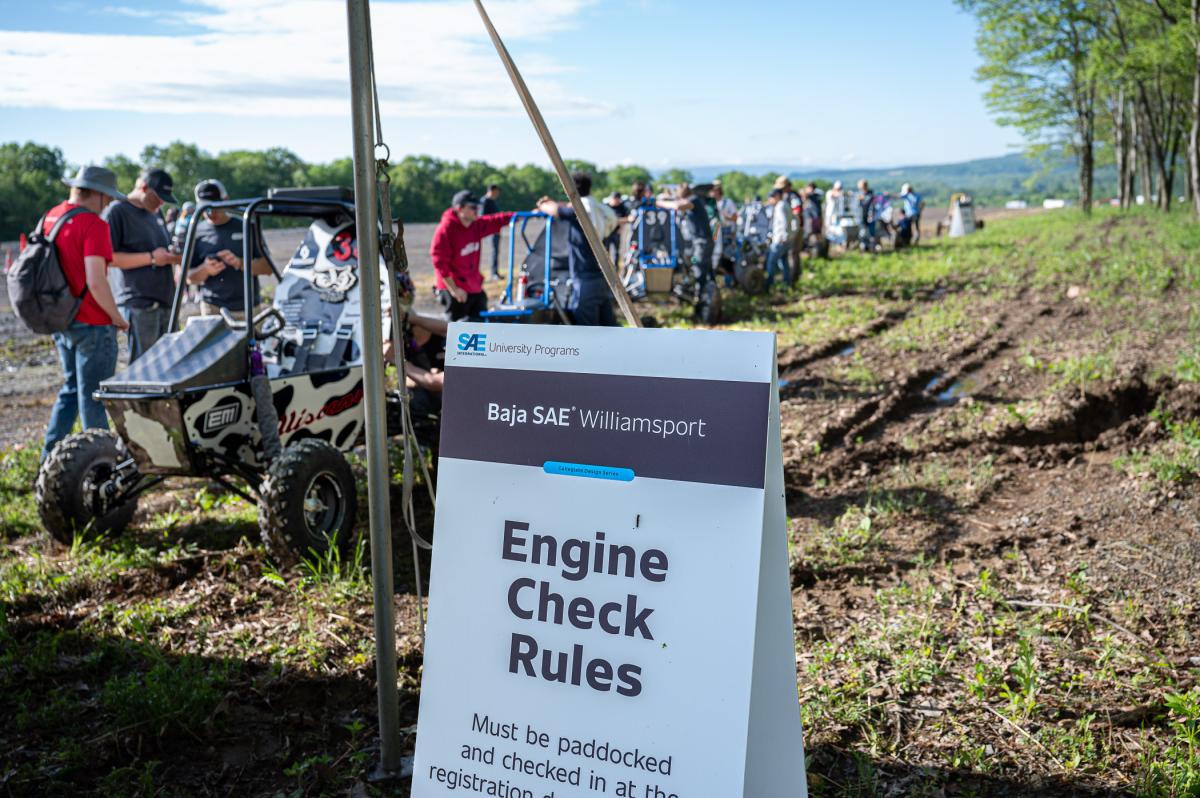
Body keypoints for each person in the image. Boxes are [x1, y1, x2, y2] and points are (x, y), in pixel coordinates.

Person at [40, 166, 130, 460]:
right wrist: (116, 316)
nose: (108, 205)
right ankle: (100, 464)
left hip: (62, 320)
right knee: (95, 398)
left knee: (70, 391)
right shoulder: (93, 225)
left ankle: (48, 459)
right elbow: (96, 279)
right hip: (93, 323)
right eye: (107, 199)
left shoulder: (50, 217)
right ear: (98, 195)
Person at [103, 168, 181, 361]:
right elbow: (108, 257)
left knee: (170, 363)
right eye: (159, 197)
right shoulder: (117, 211)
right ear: (143, 187)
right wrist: (152, 258)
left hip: (166, 301)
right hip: (139, 304)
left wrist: (173, 257)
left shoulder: (156, 213)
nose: (162, 203)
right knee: (144, 368)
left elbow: (161, 249)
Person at [536, 171, 619, 327]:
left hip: (585, 279)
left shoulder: (579, 211)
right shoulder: (600, 209)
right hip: (604, 278)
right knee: (608, 326)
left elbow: (553, 209)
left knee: (586, 329)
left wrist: (543, 204)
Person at [185, 179, 273, 318]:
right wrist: (205, 269)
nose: (210, 212)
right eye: (205, 208)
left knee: (252, 340)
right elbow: (188, 278)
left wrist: (240, 263)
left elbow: (268, 268)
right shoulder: (195, 231)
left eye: (215, 206)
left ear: (226, 200)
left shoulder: (247, 226)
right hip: (212, 308)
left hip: (248, 307)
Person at [430, 190, 515, 320]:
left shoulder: (476, 225)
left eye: (478, 207)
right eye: (473, 207)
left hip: (473, 287)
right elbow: (439, 262)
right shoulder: (446, 229)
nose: (477, 210)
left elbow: (496, 220)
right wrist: (454, 290)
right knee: (455, 332)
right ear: (460, 208)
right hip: (455, 289)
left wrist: (523, 215)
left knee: (480, 327)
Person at [765, 188, 796, 288]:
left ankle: (769, 285)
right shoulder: (785, 204)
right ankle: (787, 283)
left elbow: (783, 223)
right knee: (784, 262)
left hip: (780, 239)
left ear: (777, 196)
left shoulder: (780, 206)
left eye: (771, 197)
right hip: (786, 239)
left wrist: (782, 237)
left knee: (771, 261)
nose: (770, 200)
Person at [712, 180, 738, 271]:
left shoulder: (728, 202)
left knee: (728, 256)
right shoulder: (711, 204)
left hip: (727, 233)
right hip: (716, 232)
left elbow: (735, 218)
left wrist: (725, 216)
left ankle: (730, 279)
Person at [480, 184, 503, 280]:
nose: (497, 194)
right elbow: (482, 217)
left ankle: (495, 272)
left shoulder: (492, 202)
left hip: (495, 230)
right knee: (494, 252)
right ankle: (493, 274)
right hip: (490, 231)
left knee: (496, 251)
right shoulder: (485, 202)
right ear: (492, 191)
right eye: (496, 192)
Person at [604, 191, 629, 265]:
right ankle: (606, 267)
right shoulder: (606, 207)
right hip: (607, 232)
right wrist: (617, 220)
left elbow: (627, 218)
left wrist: (621, 226)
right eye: (615, 199)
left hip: (617, 232)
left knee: (616, 252)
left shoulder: (622, 207)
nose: (616, 201)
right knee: (606, 251)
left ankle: (616, 269)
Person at [855, 179, 878, 252]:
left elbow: (870, 204)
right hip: (862, 217)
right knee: (863, 233)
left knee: (871, 234)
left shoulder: (870, 194)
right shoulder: (859, 194)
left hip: (870, 217)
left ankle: (872, 248)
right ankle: (864, 248)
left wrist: (862, 199)